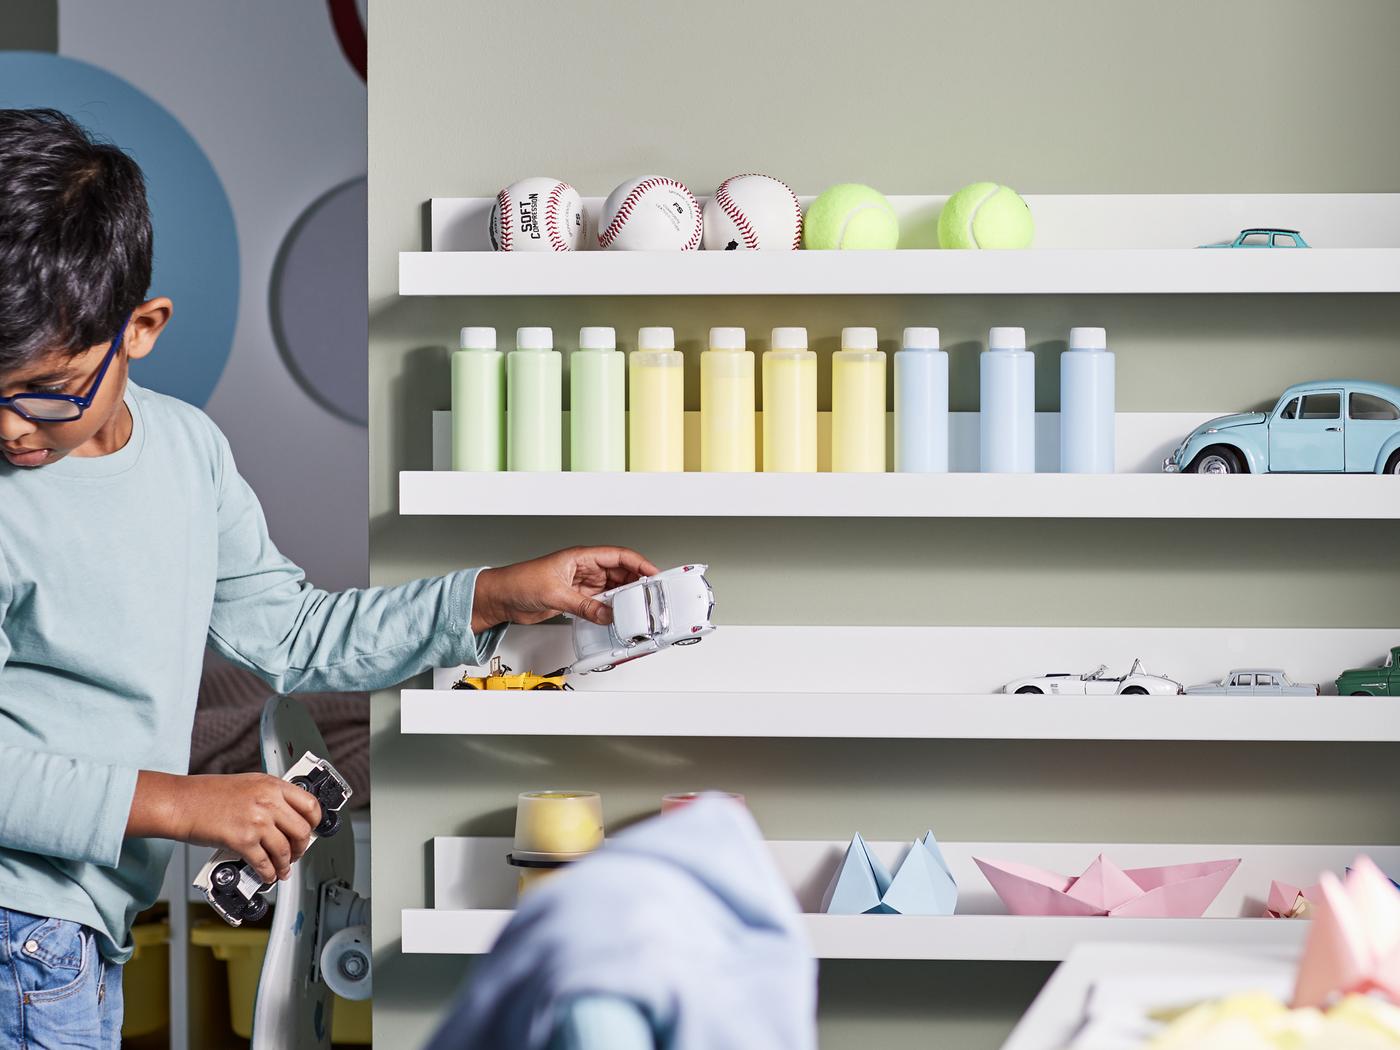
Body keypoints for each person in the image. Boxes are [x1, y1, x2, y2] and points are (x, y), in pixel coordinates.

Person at [0, 107, 656, 1046]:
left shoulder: (189, 452)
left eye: (45, 389)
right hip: (21, 930)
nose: (11, 426)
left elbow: (292, 632)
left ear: (141, 328)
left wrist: (496, 592)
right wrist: (185, 802)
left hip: (76, 930)